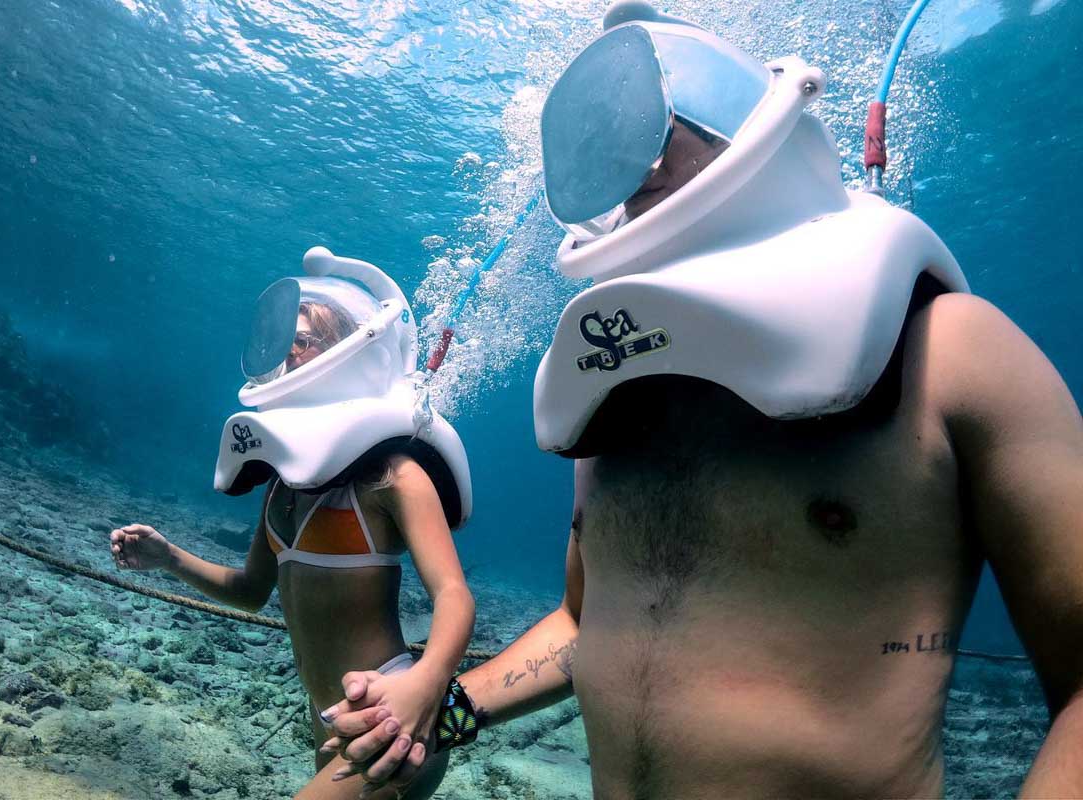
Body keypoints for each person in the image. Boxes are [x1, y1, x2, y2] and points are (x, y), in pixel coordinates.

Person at [319, 3, 1083, 797]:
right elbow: (587, 624)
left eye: (658, 129)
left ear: (748, 125)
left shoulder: (951, 348)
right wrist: (440, 706)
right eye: (612, 143)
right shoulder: (613, 398)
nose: (635, 166)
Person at [110, 247, 476, 799]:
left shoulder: (394, 477)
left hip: (392, 710)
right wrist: (169, 558)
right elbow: (252, 591)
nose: (287, 357)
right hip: (331, 716)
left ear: (343, 355)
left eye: (301, 342)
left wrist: (425, 689)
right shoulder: (284, 484)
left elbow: (454, 595)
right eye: (284, 344)